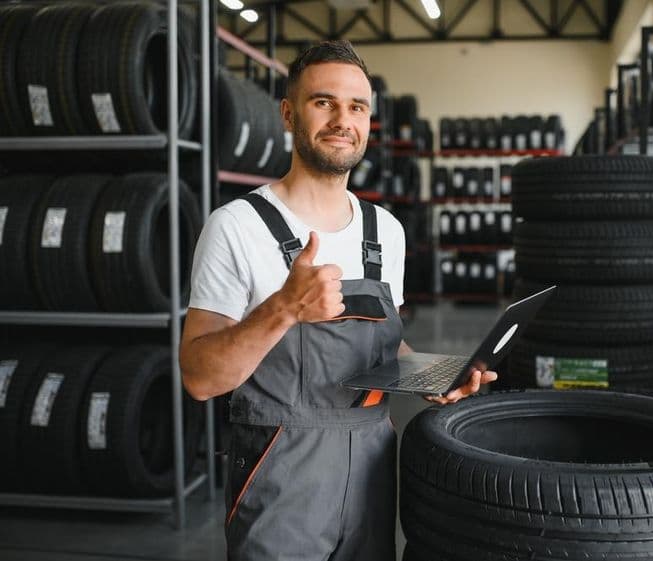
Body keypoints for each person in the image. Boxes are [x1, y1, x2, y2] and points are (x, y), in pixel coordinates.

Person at [179, 40, 497, 561]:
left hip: (373, 470)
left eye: (356, 106)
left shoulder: (385, 232)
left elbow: (381, 349)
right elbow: (198, 377)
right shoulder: (235, 226)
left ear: (369, 120)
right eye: (322, 102)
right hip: (281, 475)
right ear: (288, 113)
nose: (341, 119)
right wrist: (283, 308)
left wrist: (438, 377)